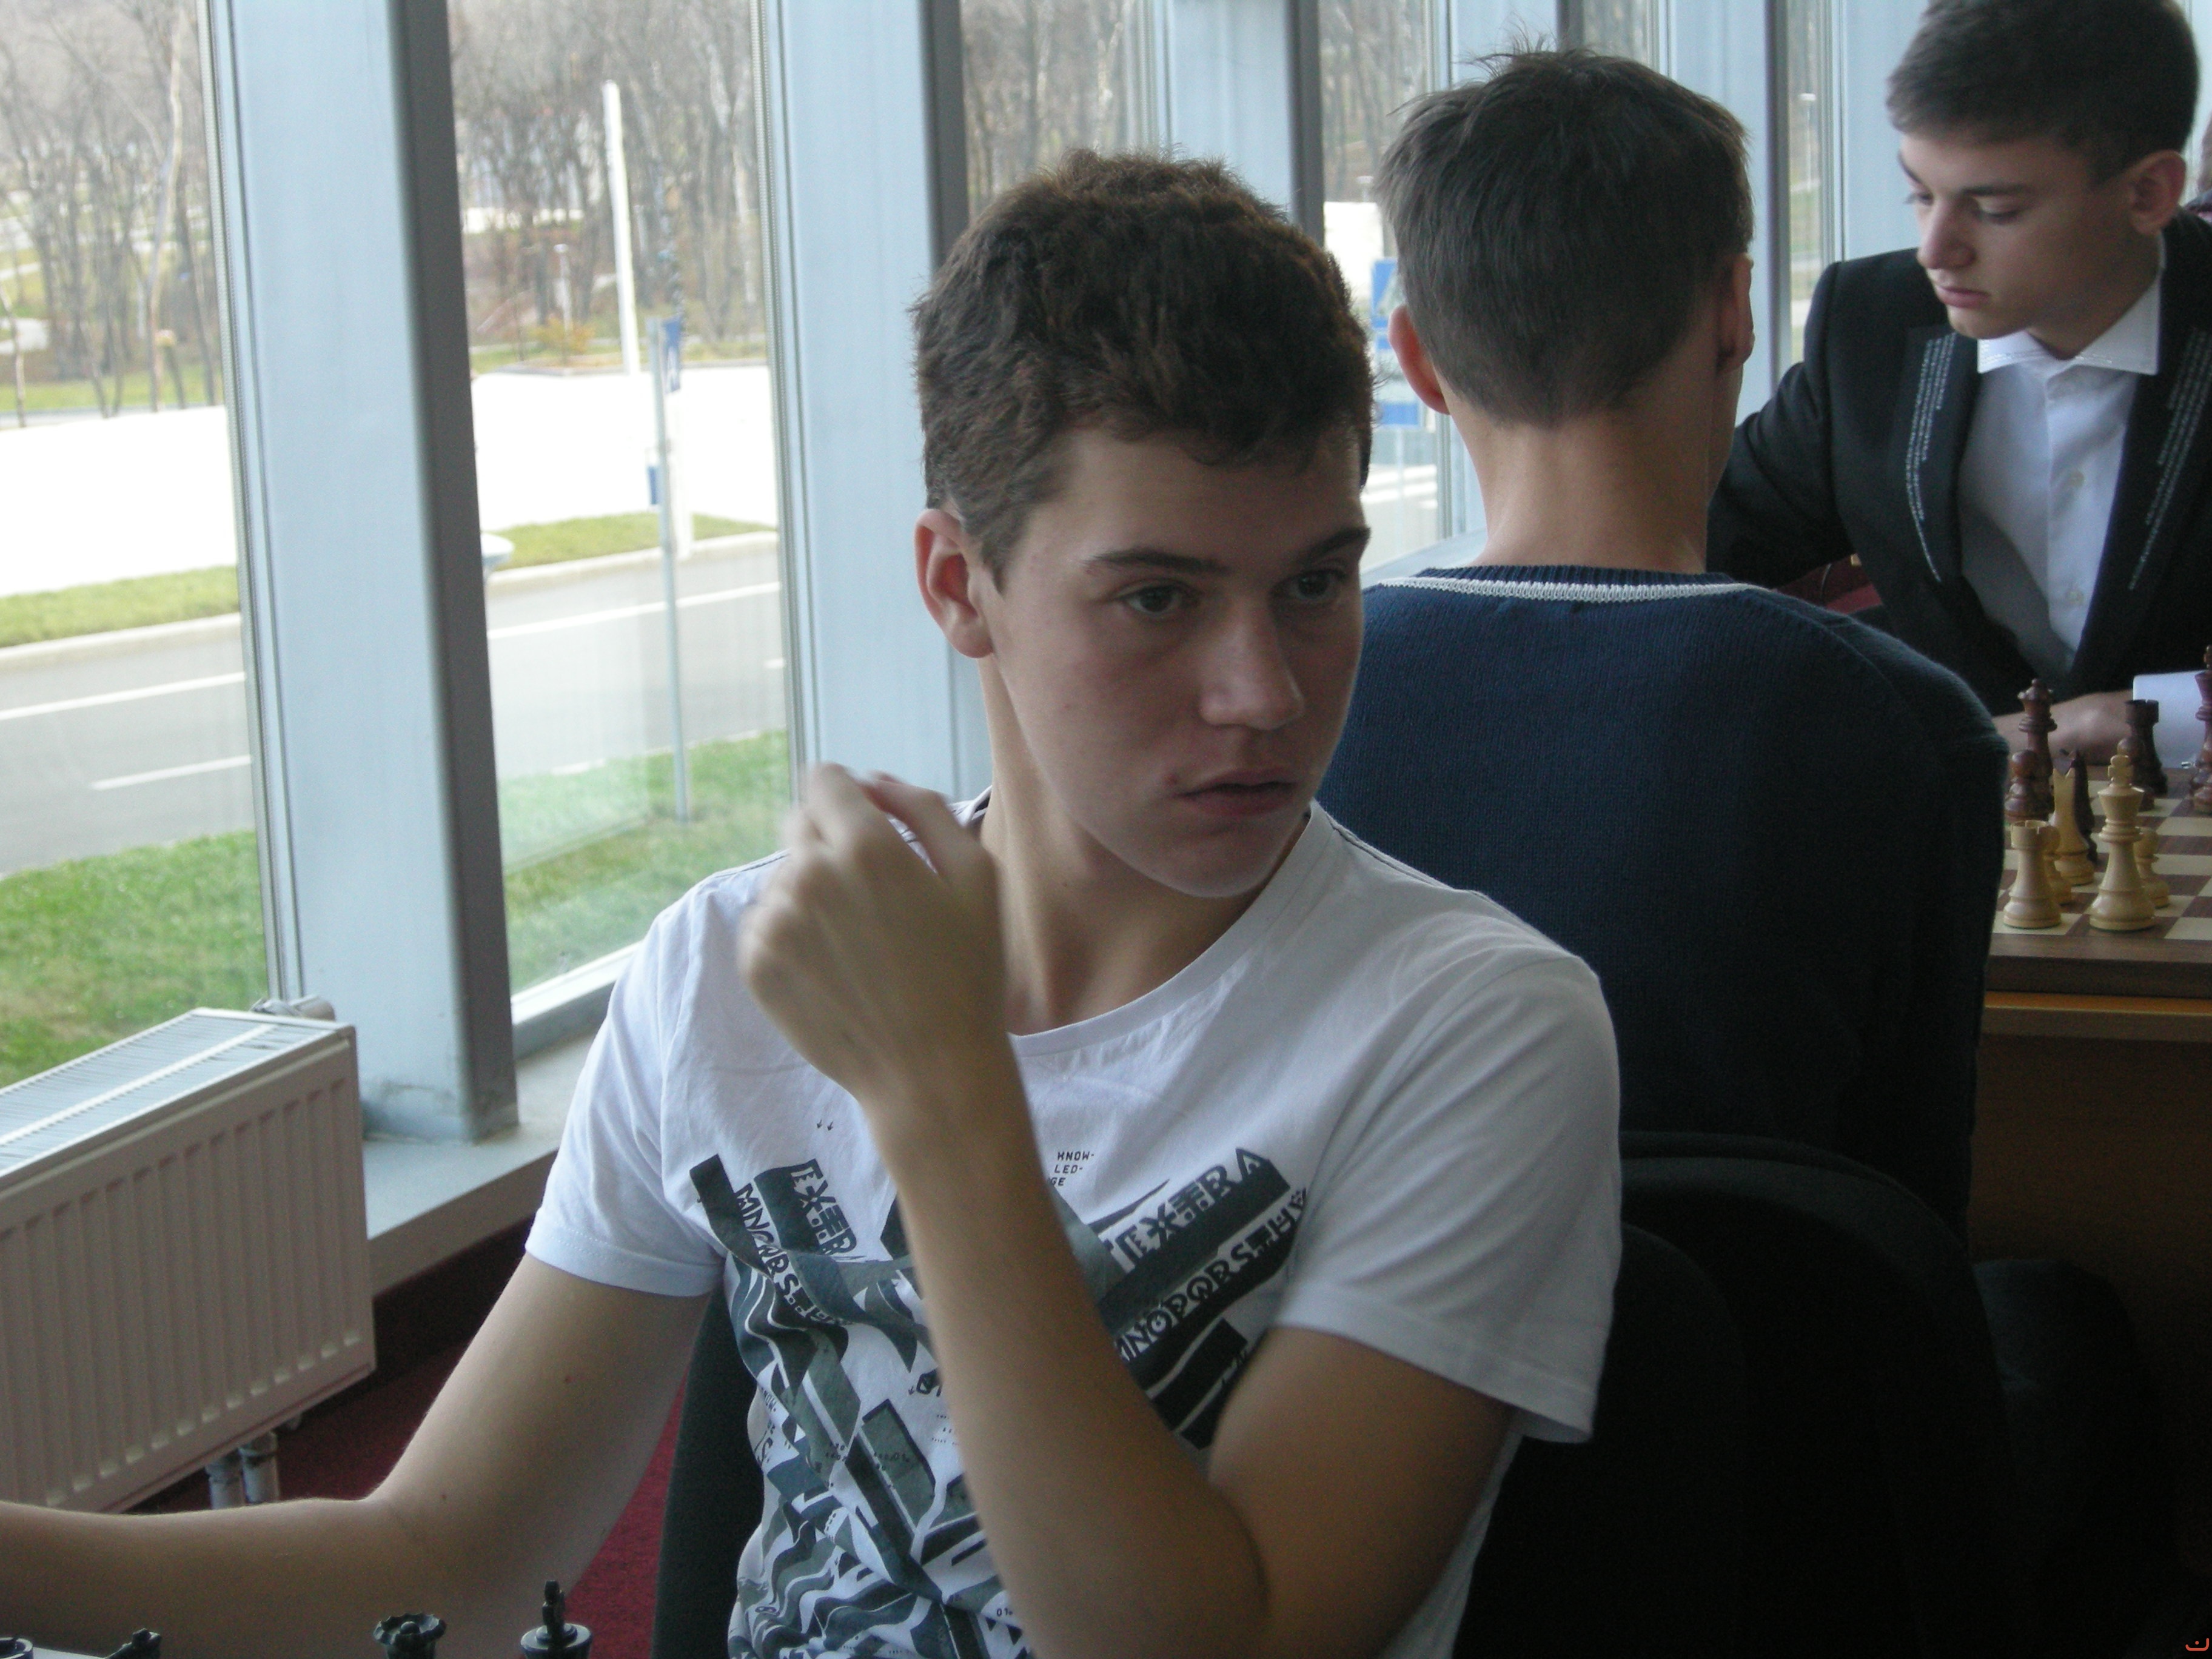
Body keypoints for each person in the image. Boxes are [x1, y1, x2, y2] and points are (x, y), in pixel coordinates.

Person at [0, 154, 1621, 1659]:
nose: (1262, 691)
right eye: (1157, 597)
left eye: (1316, 583)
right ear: (957, 584)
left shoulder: (1471, 1024)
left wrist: (943, 1092)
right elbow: (452, 1552)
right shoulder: (728, 969)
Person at [1319, 49, 2005, 1233]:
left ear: (1416, 357)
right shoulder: (1903, 721)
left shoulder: (1299, 693)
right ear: (1735, 311)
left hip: (1366, 1338)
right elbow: (1916, 1197)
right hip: (1790, 1338)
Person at [1708, 0, 2212, 765]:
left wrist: (2152, 717)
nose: (1935, 251)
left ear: (2148, 193)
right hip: (1946, 819)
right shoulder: (1871, 327)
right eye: (1921, 193)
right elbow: (1698, 547)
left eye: (1996, 209)